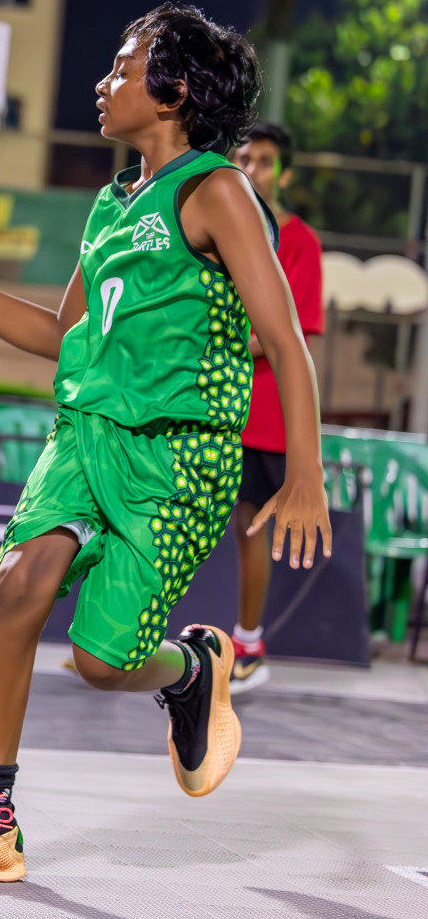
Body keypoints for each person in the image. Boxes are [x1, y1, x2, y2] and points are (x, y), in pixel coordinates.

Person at [0, 3, 329, 888]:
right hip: (85, 437)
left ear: (170, 92)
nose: (101, 83)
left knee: (103, 664)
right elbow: (66, 334)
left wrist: (307, 475)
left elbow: (284, 339)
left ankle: (190, 667)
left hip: (176, 460)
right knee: (18, 584)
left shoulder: (218, 191)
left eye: (121, 68)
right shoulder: (108, 203)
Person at [227, 122, 324, 693]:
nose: (253, 169)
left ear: (282, 172)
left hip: (263, 414)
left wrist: (225, 345)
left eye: (264, 161)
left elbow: (293, 330)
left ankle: (249, 643)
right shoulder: (224, 228)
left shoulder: (301, 241)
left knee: (248, 527)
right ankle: (124, 637)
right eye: (244, 157)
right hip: (211, 405)